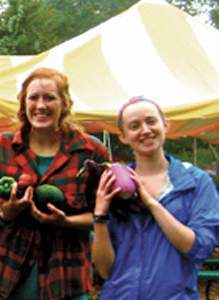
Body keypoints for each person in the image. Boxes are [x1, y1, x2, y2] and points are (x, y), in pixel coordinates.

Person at [0, 67, 109, 300]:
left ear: (65, 103)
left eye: (50, 97)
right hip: (3, 275)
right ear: (23, 103)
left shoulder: (91, 152)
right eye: (33, 97)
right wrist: (6, 214)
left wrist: (66, 221)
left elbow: (103, 215)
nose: (41, 105)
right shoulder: (0, 147)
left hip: (65, 277)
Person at [91, 96, 219, 299]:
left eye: (151, 121)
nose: (145, 130)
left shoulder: (196, 182)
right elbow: (105, 270)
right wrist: (100, 215)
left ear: (165, 125)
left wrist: (151, 204)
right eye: (134, 126)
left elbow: (199, 249)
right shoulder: (114, 186)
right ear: (123, 136)